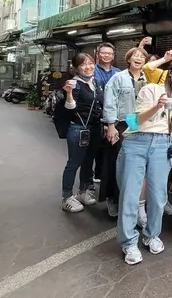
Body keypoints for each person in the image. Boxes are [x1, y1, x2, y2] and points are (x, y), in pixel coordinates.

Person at [116, 59, 172, 265]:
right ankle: (129, 242)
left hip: (162, 144)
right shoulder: (152, 88)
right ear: (170, 71)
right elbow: (137, 120)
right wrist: (157, 106)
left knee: (159, 195)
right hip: (137, 141)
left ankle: (151, 235)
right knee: (130, 194)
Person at [102, 47, 148, 218]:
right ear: (128, 59)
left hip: (140, 125)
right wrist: (111, 125)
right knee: (115, 162)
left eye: (142, 56)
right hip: (121, 124)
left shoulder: (147, 78)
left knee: (135, 166)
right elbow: (110, 102)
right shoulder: (118, 78)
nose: (138, 58)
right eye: (135, 55)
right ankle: (112, 199)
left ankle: (133, 201)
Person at [60, 53, 104, 213]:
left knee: (88, 161)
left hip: (94, 128)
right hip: (78, 129)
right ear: (76, 68)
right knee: (74, 163)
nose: (88, 67)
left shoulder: (96, 82)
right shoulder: (74, 84)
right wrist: (69, 93)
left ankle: (83, 191)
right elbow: (70, 108)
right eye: (83, 64)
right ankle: (67, 197)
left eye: (90, 63)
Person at [93, 42, 120, 183]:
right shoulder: (92, 70)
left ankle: (105, 175)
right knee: (96, 147)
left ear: (113, 56)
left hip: (114, 115)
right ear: (98, 55)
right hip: (96, 113)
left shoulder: (118, 72)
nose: (106, 55)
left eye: (109, 53)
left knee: (110, 146)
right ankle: (93, 177)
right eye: (103, 53)